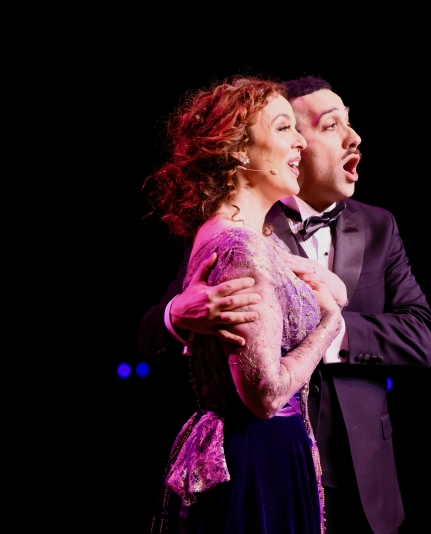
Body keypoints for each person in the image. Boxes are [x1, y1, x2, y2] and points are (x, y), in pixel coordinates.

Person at [140, 75, 431, 534]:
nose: (353, 137)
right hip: (268, 460)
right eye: (330, 125)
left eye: (350, 122)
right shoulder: (238, 225)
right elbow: (152, 334)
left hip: (362, 476)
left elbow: (423, 334)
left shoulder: (379, 226)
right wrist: (177, 316)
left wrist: (335, 328)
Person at [144, 76, 343, 534]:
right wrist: (329, 324)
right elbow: (267, 395)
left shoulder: (257, 240)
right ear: (239, 151)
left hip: (265, 448)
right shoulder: (239, 247)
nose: (300, 142)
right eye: (283, 128)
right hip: (259, 453)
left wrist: (329, 286)